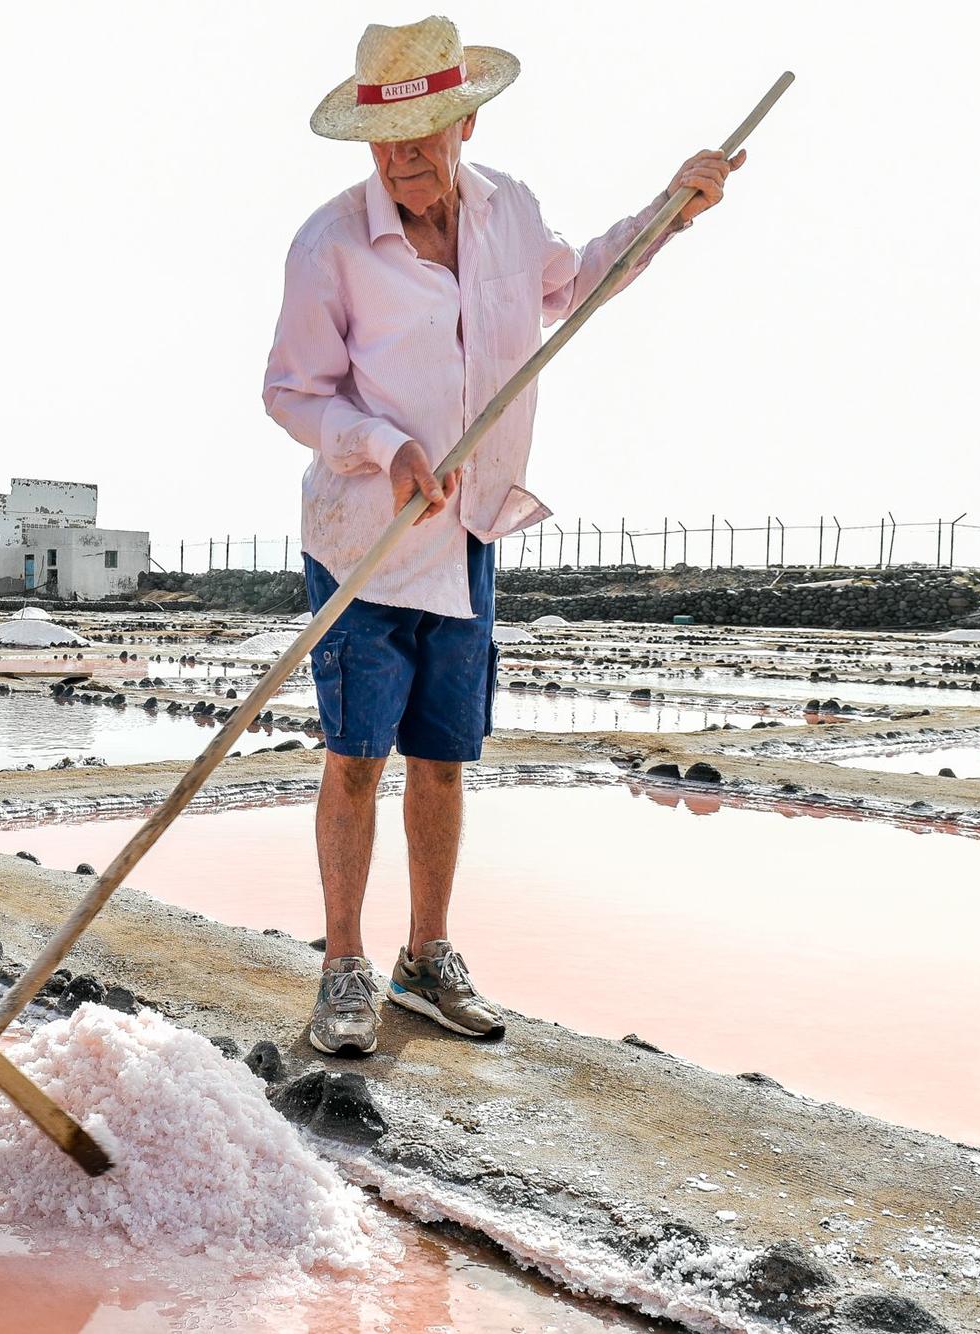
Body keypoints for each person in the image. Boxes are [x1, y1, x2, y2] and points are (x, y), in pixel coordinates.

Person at [262, 16, 743, 1055]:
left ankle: (422, 956)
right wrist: (381, 445)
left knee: (440, 758)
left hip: (470, 531)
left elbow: (574, 288)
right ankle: (343, 965)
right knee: (354, 757)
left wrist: (670, 210)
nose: (402, 156)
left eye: (423, 133)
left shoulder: (509, 214)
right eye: (384, 138)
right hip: (365, 541)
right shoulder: (329, 244)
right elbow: (291, 392)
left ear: (463, 120)